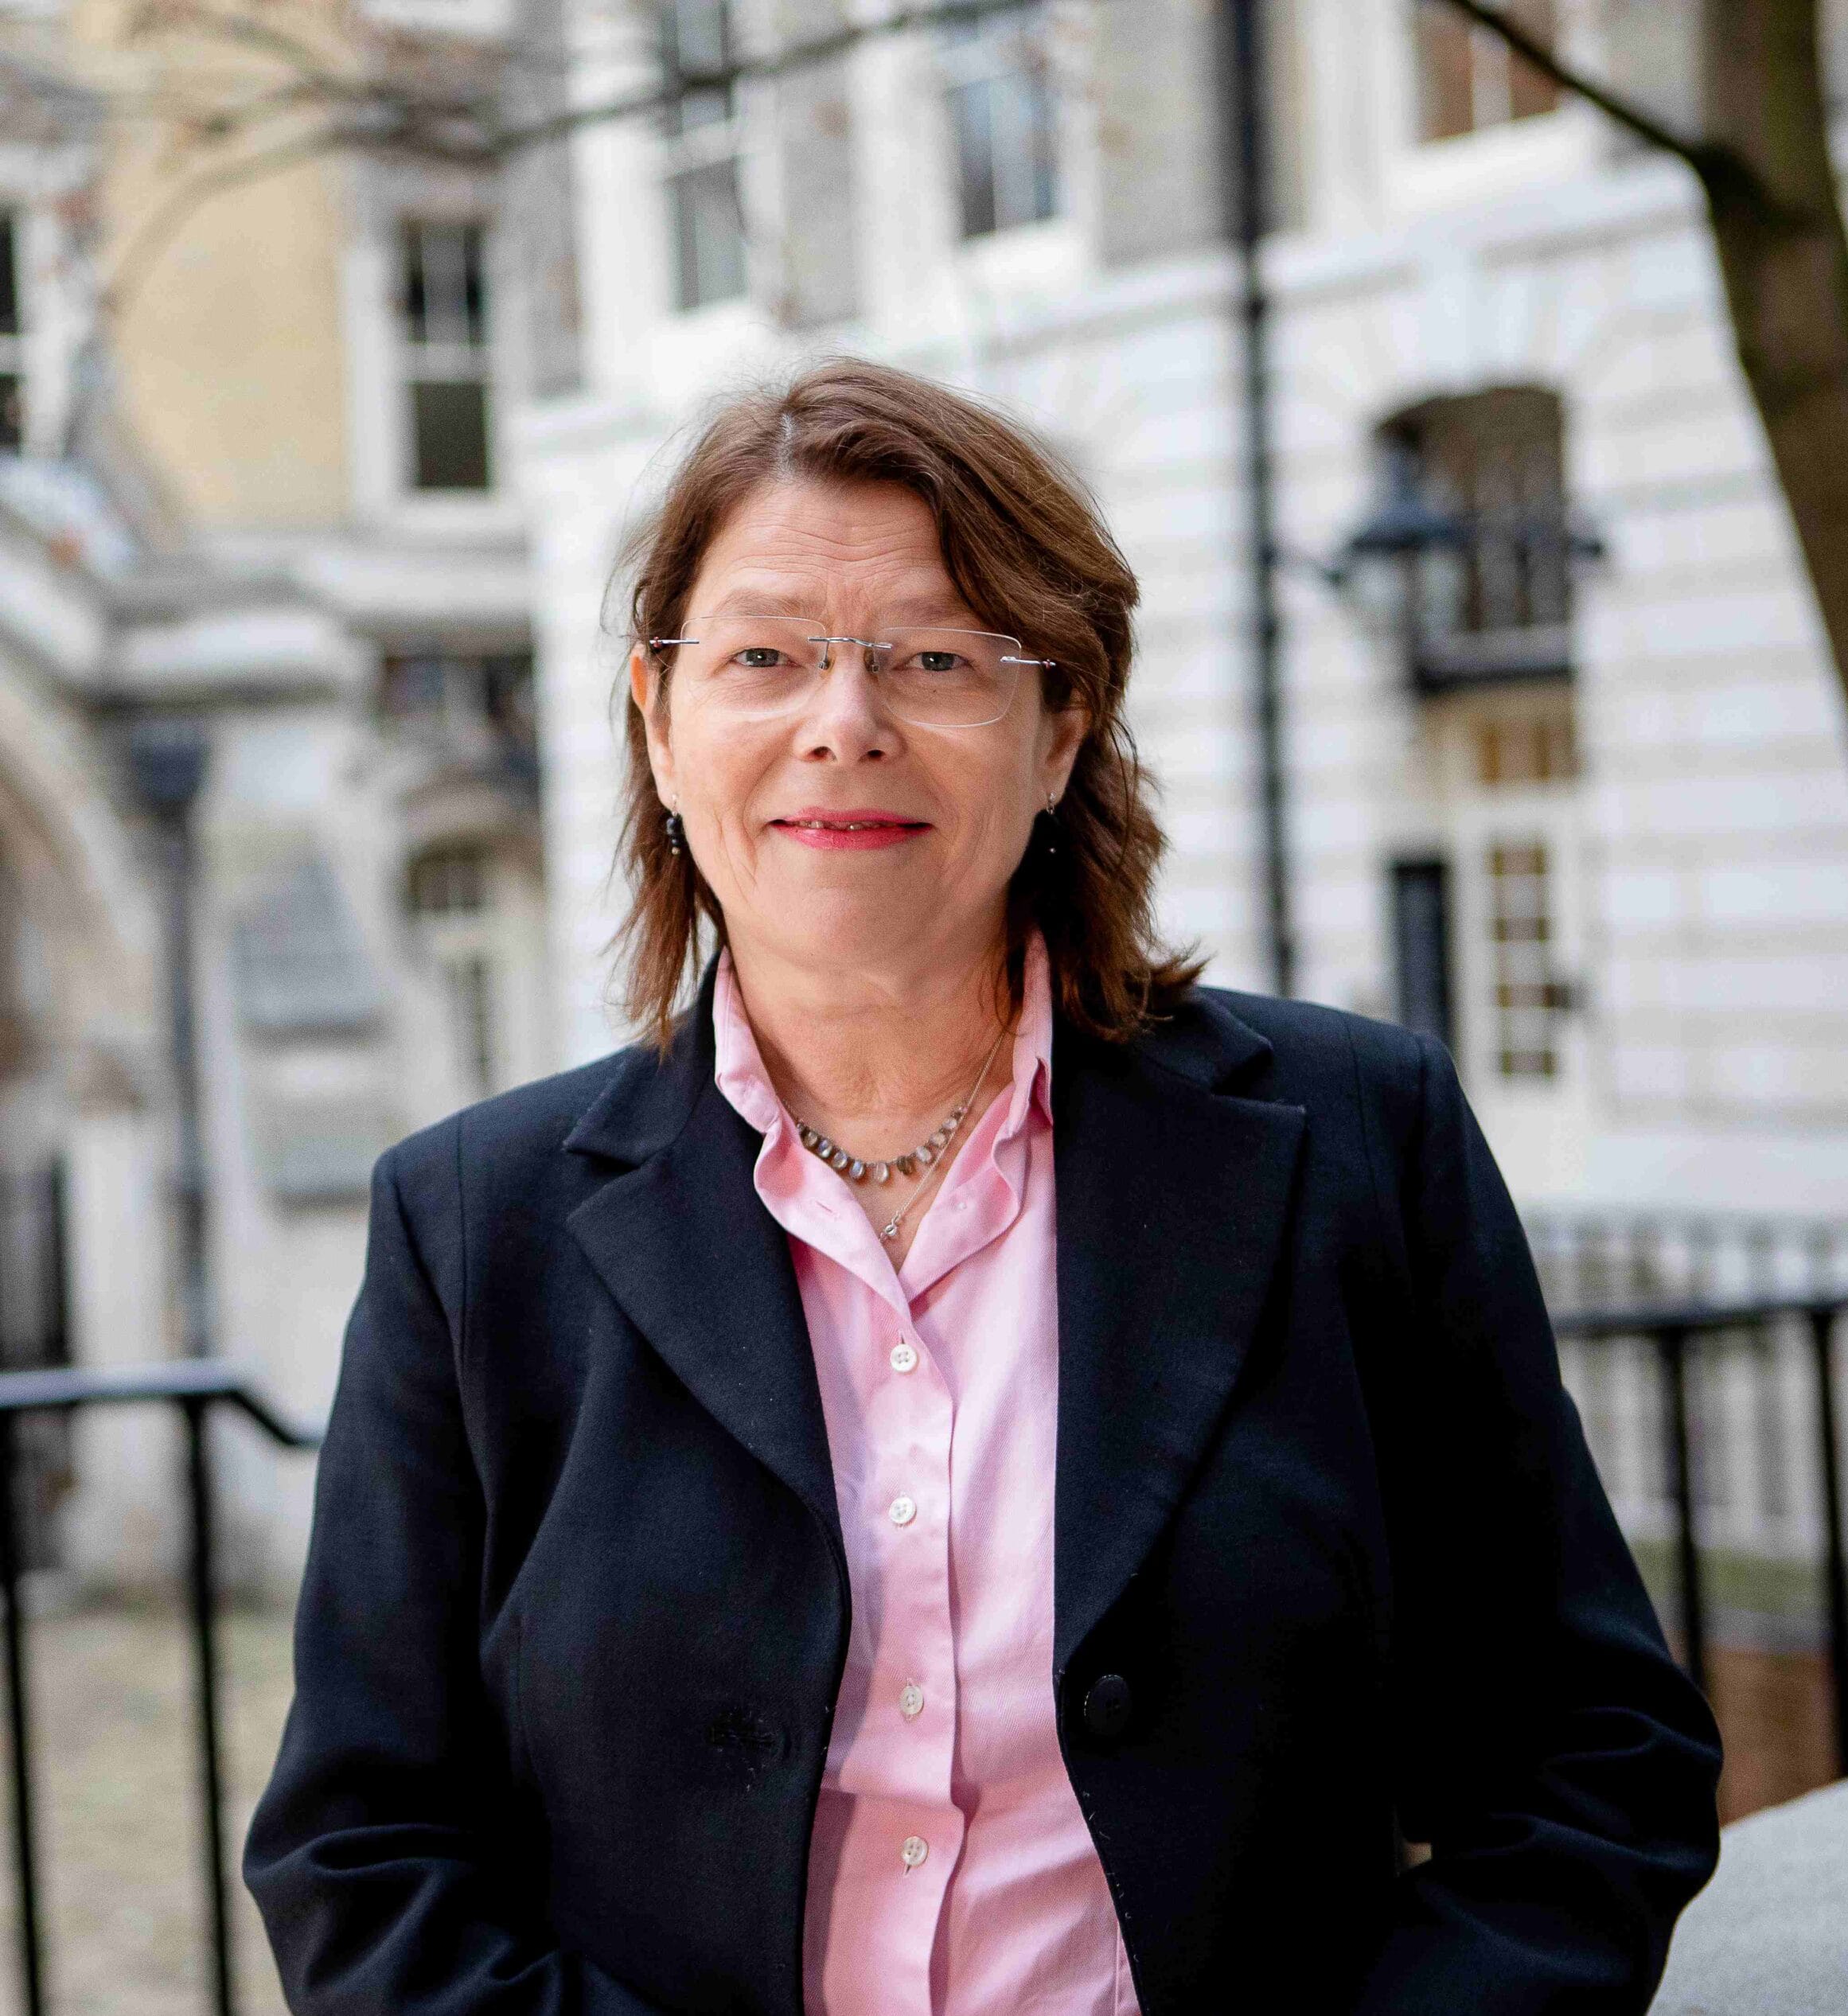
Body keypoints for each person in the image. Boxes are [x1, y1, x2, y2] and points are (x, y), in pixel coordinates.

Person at [246, 359, 1721, 2016]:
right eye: (763, 656)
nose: (842, 723)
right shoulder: (469, 1226)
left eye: (936, 658)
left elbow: (1594, 1758)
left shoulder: (1359, 1142)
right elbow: (362, 1857)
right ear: (659, 727)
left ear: (1060, 728)